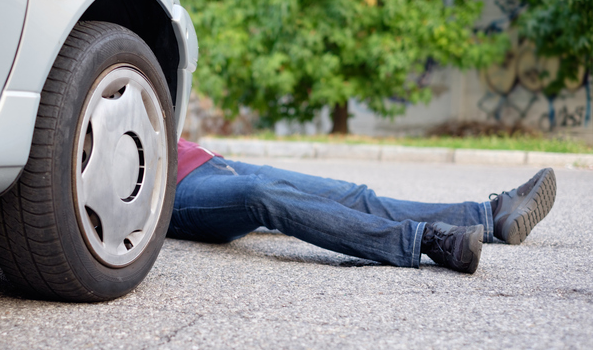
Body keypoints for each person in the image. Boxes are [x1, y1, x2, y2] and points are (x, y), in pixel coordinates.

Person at [167, 139, 557, 274]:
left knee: (354, 194)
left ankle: (492, 218)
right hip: (173, 191)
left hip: (207, 159)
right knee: (259, 196)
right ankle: (427, 242)